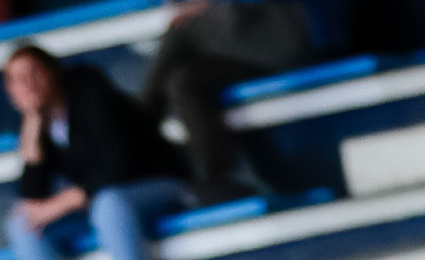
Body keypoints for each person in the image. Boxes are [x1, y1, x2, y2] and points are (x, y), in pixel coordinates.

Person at [3, 45, 193, 260]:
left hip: (156, 186)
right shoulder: (33, 120)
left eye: (34, 74)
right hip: (100, 201)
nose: (28, 84)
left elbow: (119, 165)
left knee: (109, 204)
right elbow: (32, 196)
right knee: (21, 224)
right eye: (17, 80)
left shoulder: (90, 91)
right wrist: (33, 128)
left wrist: (61, 203)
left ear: (53, 72)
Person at [143, 0, 348, 202]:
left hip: (295, 26)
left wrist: (209, 7)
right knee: (182, 80)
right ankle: (218, 177)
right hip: (253, 41)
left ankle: (141, 130)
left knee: (183, 32)